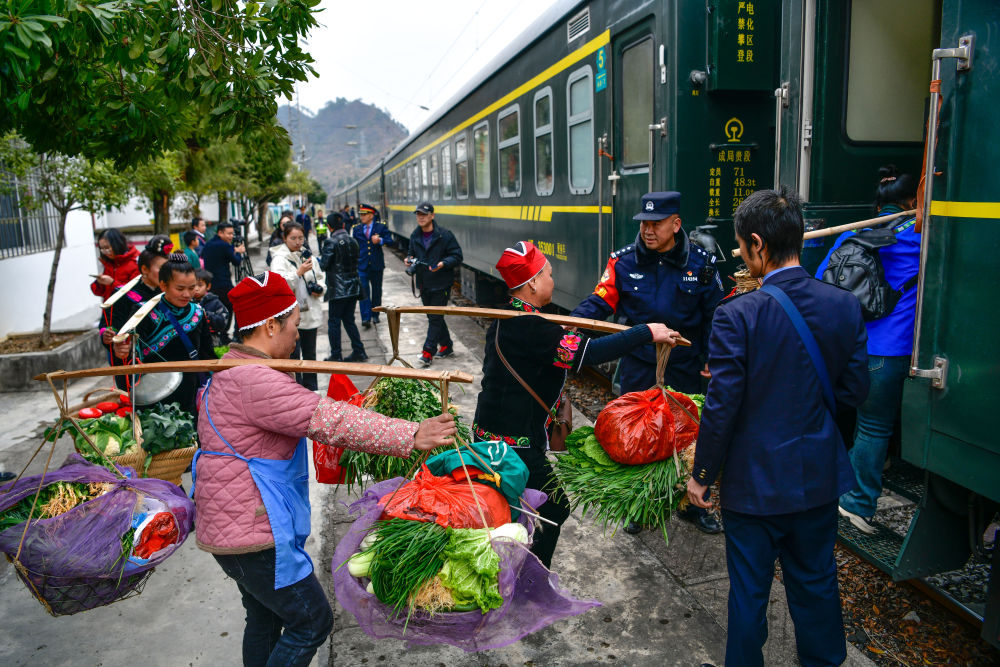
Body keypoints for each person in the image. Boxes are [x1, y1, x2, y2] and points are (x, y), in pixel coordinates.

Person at [192, 271, 456, 667]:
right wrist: (412, 434)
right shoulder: (254, 381)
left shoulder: (233, 368)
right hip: (252, 531)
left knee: (266, 617)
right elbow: (330, 420)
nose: (298, 336)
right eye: (295, 326)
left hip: (232, 528)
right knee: (312, 622)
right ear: (269, 325)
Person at [686, 188, 869, 667]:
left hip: (755, 484)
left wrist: (701, 474)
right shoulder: (843, 305)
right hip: (816, 478)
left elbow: (721, 407)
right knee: (817, 585)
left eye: (741, 248)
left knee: (749, 595)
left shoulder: (737, 314)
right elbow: (853, 394)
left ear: (756, 246)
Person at [474, 242, 682, 568]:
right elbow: (587, 355)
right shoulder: (533, 329)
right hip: (514, 447)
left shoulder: (507, 320)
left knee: (511, 505)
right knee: (556, 507)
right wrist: (646, 332)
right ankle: (531, 577)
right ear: (532, 283)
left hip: (488, 437)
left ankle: (512, 564)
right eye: (549, 274)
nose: (552, 281)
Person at [571, 191, 724, 535]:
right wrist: (570, 324)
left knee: (689, 437)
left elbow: (716, 314)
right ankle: (639, 505)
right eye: (644, 224)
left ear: (676, 224)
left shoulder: (701, 263)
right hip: (640, 365)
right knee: (638, 435)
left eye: (656, 224)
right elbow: (599, 303)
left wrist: (714, 357)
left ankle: (692, 505)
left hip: (684, 365)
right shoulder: (623, 263)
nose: (648, 230)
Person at [814, 166, 919, 535]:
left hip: (851, 349)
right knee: (875, 426)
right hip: (892, 351)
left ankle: (849, 478)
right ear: (913, 202)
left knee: (859, 421)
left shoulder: (852, 235)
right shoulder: (921, 241)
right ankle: (856, 503)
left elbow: (820, 281)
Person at [112, 253, 217, 415]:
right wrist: (122, 350)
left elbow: (207, 354)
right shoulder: (144, 313)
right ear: (163, 285)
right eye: (180, 289)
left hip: (190, 397)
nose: (187, 295)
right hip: (153, 402)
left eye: (192, 288)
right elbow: (132, 353)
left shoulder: (198, 313)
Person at [405, 202, 463, 367]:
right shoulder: (415, 236)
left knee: (435, 318)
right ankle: (446, 345)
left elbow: (457, 256)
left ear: (432, 215)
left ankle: (428, 352)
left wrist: (444, 263)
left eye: (424, 214)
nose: (421, 217)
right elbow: (411, 253)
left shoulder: (444, 235)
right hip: (424, 284)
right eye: (418, 214)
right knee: (434, 317)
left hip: (441, 284)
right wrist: (408, 260)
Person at [270, 222, 327, 390]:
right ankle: (297, 390)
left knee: (310, 354)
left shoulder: (309, 256)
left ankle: (312, 389)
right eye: (293, 238)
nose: (297, 242)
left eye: (301, 238)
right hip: (289, 316)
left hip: (309, 312)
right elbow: (278, 283)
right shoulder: (279, 259)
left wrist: (320, 289)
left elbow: (320, 277)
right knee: (293, 355)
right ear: (285, 238)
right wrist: (298, 273)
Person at [319, 213, 367, 362]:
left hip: (338, 290)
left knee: (334, 322)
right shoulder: (353, 241)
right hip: (353, 287)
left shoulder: (330, 242)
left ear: (329, 226)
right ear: (344, 225)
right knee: (349, 320)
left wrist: (316, 260)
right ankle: (359, 351)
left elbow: (324, 265)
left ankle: (336, 354)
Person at [352, 203, 395, 328]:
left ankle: (375, 315)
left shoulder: (380, 227)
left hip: (376, 265)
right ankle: (366, 317)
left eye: (364, 215)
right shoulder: (356, 229)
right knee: (363, 291)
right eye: (361, 215)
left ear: (371, 216)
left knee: (376, 291)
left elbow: (391, 241)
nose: (362, 217)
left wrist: (380, 241)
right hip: (362, 265)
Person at [202, 221, 246, 320]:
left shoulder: (208, 244)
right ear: (220, 233)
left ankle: (222, 333)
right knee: (232, 307)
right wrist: (238, 251)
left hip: (210, 283)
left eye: (232, 234)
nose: (231, 236)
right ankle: (228, 333)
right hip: (223, 283)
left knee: (217, 307)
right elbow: (237, 262)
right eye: (229, 234)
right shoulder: (225, 246)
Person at [90, 228, 139, 301]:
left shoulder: (135, 263)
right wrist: (99, 283)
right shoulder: (110, 263)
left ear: (118, 244)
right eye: (102, 249)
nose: (105, 252)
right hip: (109, 310)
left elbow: (136, 296)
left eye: (107, 248)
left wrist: (112, 283)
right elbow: (99, 292)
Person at [194, 268, 231, 348]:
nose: (196, 289)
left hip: (213, 341)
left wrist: (207, 315)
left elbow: (223, 321)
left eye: (200, 285)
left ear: (208, 286)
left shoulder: (215, 302)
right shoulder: (188, 303)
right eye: (193, 285)